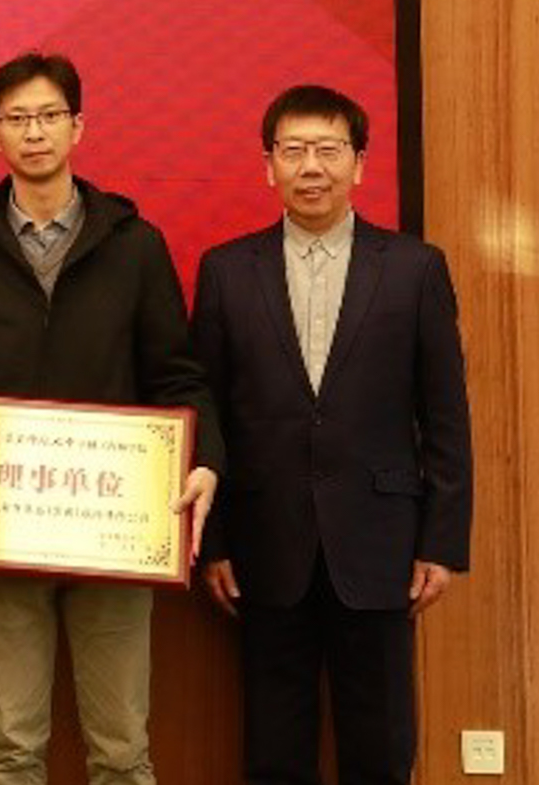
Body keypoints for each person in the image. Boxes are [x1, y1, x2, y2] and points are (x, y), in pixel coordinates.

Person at [0, 51, 222, 785]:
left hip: (115, 530)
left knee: (122, 747)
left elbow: (178, 377)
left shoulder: (134, 245)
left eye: (49, 115)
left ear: (78, 126)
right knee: (12, 746)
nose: (34, 131)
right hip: (0, 530)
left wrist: (205, 458)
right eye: (17, 118)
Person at [195, 85, 472, 785]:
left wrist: (440, 542)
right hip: (264, 544)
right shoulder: (226, 272)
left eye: (328, 149)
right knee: (274, 751)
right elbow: (208, 416)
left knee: (381, 749)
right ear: (269, 166)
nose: (311, 166)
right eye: (293, 150)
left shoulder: (414, 268)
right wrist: (214, 541)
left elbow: (445, 415)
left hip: (382, 544)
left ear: (359, 162)